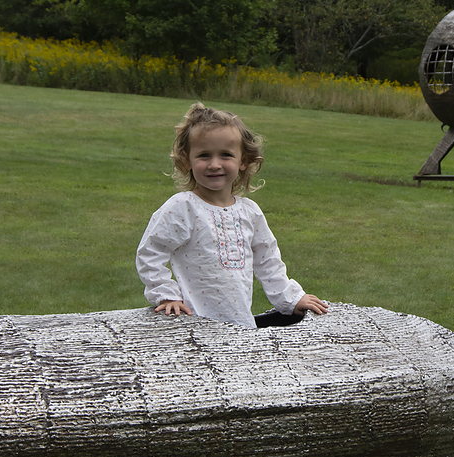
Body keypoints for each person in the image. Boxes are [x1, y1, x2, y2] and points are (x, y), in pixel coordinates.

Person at [136, 102, 328, 328]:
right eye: (204, 155)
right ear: (187, 160)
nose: (214, 164)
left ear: (243, 161)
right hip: (192, 325)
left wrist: (291, 298)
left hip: (241, 326)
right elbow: (150, 251)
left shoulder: (250, 212)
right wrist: (166, 294)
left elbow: (268, 260)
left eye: (226, 155)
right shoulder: (183, 207)